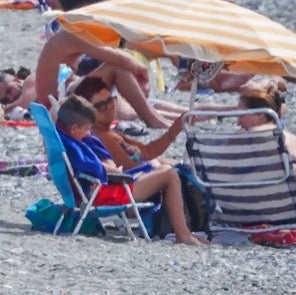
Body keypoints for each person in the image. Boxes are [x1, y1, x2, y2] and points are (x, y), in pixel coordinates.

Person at [55, 95, 203, 245]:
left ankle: (179, 230)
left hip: (94, 191)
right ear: (73, 128)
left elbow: (95, 162)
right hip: (103, 194)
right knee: (169, 175)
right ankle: (183, 235)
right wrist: (115, 171)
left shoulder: (63, 137)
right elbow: (97, 168)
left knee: (163, 169)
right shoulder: (74, 148)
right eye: (87, 129)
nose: (89, 134)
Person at [35, 0, 170, 129]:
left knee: (117, 76)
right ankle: (152, 119)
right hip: (57, 108)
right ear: (84, 10)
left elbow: (118, 45)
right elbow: (120, 58)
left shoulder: (68, 31)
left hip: (58, 101)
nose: (96, 18)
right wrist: (142, 71)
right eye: (95, 12)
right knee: (117, 67)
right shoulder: (73, 34)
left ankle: (161, 117)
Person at [72, 76, 184, 169]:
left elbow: (148, 151)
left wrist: (174, 129)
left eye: (110, 101)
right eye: (101, 106)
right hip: (133, 189)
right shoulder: (101, 137)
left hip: (139, 182)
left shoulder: (109, 131)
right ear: (86, 111)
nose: (109, 108)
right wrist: (159, 167)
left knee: (172, 164)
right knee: (171, 170)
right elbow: (130, 169)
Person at [237, 82, 296, 200]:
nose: (238, 122)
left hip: (241, 213)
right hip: (290, 212)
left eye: (241, 115)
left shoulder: (239, 139)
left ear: (259, 115)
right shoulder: (294, 142)